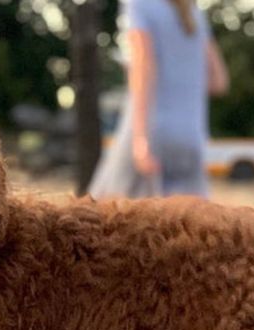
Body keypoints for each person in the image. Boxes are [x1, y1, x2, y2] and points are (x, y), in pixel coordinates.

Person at [88, 0, 229, 199]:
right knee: (189, 224)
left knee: (107, 216)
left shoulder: (139, 4)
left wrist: (140, 140)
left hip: (152, 132)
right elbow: (219, 82)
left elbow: (143, 67)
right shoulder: (193, 11)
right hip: (191, 137)